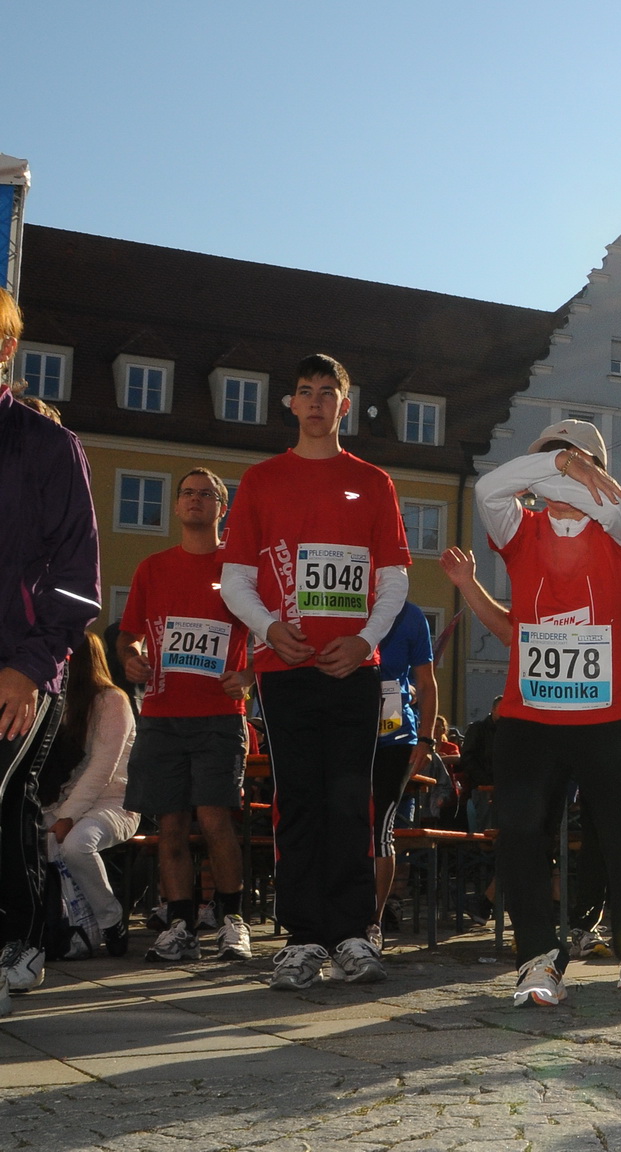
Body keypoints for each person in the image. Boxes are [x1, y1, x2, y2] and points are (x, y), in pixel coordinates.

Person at [442, 420, 621, 1003]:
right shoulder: (520, 528)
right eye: (549, 462)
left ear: (603, 471)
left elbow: (619, 510)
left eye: (581, 460)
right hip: (530, 717)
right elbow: (491, 488)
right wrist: (559, 465)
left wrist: (574, 471)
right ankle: (537, 959)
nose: (565, 469)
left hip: (608, 716)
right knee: (520, 835)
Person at [219, 354, 412, 991]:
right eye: (305, 392)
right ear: (292, 404)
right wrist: (270, 629)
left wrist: (363, 640)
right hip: (286, 664)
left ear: (344, 406)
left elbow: (394, 579)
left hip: (354, 667)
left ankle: (354, 933)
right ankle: (302, 939)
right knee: (296, 799)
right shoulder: (262, 481)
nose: (316, 402)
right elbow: (235, 581)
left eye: (328, 392)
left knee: (351, 801)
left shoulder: (374, 483)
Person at [0, 287, 102, 1016]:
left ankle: (20, 940)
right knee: (9, 809)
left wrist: (28, 665)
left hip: (22, 665)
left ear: (6, 349)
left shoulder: (45, 445)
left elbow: (79, 578)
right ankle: (25, 935)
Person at [118, 468, 255, 963]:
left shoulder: (239, 571)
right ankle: (179, 923)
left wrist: (251, 674)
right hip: (161, 712)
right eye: (188, 494)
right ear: (177, 506)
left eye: (207, 495)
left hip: (218, 713)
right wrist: (131, 655)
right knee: (169, 823)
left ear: (223, 508)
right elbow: (129, 632)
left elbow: (274, 628)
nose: (196, 501)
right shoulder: (152, 569)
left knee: (216, 817)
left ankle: (232, 918)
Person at [41, 633, 137, 958]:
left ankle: (111, 920)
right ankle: (63, 927)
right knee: (35, 843)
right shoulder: (64, 702)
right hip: (71, 802)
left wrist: (67, 816)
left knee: (76, 845)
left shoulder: (113, 701)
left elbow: (102, 768)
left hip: (115, 803)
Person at [368, 602, 437, 946]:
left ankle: (373, 922)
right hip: (347, 734)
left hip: (395, 738)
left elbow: (426, 683)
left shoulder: (411, 615)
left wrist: (425, 738)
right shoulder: (352, 603)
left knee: (381, 826)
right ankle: (340, 913)